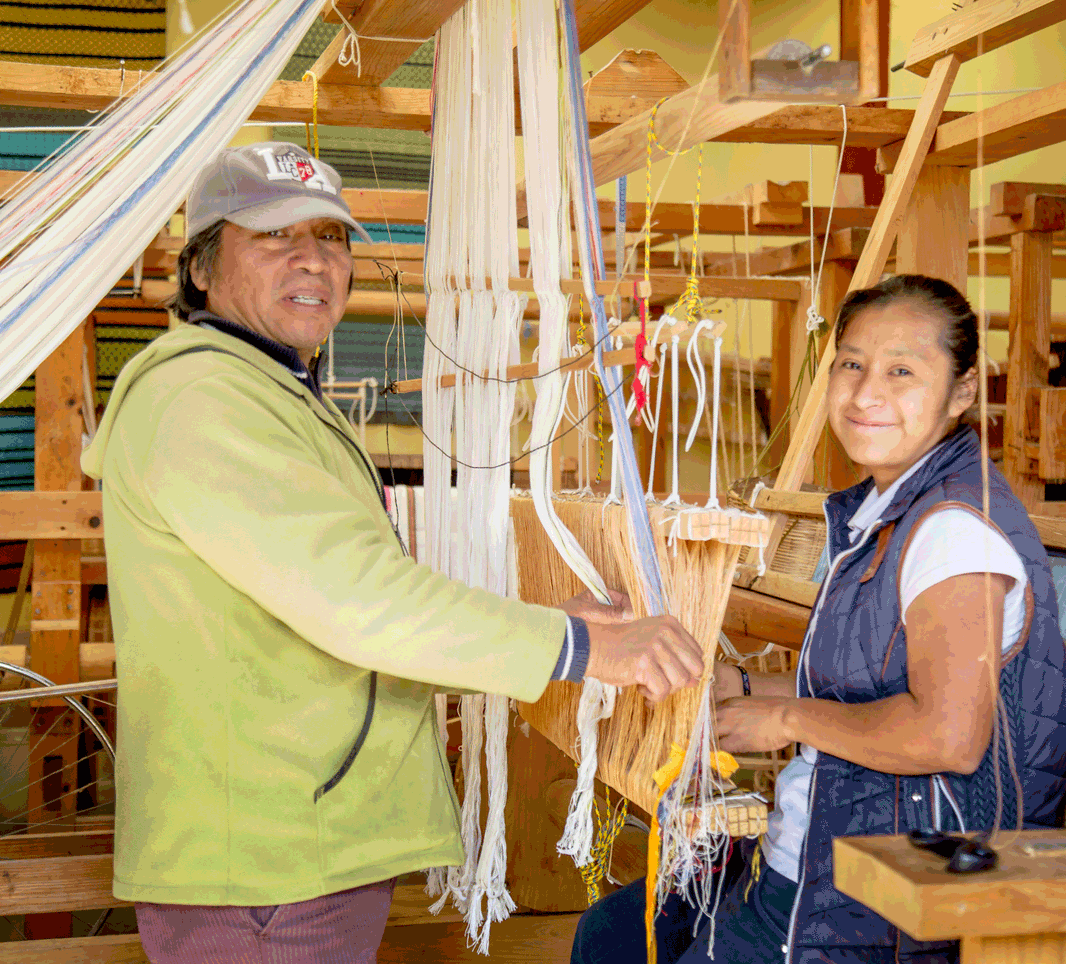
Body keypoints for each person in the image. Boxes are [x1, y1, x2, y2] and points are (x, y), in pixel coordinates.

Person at [80, 143, 705, 964]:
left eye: (331, 239)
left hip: (298, 844)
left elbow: (344, 612)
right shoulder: (203, 402)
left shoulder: (268, 393)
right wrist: (580, 646)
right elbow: (355, 602)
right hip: (267, 864)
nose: (314, 260)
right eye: (274, 237)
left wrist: (547, 625)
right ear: (200, 268)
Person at [572, 275, 1066, 964]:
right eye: (850, 364)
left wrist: (785, 720)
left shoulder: (952, 530)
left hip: (877, 889)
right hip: (819, 844)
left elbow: (948, 736)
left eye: (901, 371)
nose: (866, 393)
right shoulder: (884, 515)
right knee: (612, 936)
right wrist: (741, 692)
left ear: (960, 393)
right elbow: (871, 690)